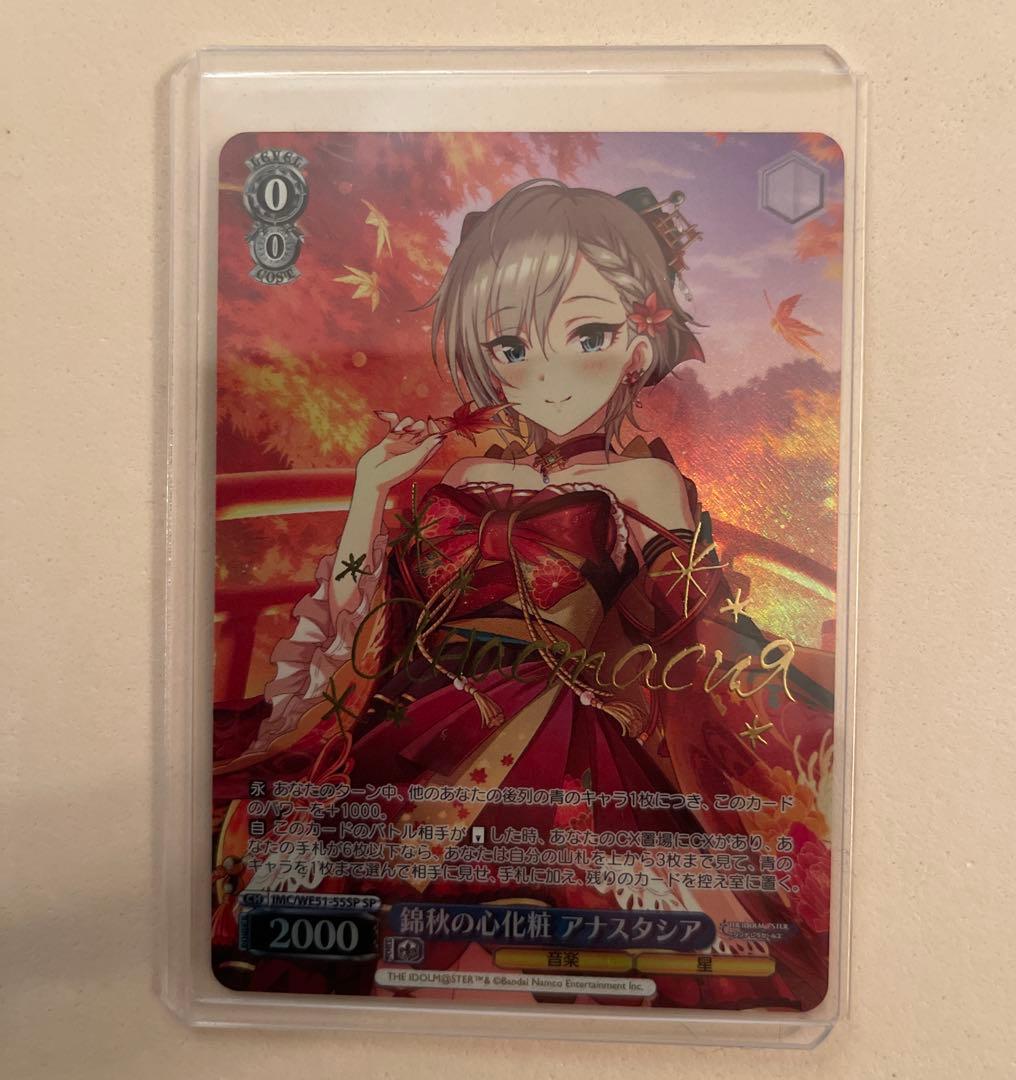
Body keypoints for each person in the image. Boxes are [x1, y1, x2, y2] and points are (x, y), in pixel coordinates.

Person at [214, 178, 834, 1009]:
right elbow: (375, 621)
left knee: (530, 916)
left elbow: (691, 633)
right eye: (510, 346)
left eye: (587, 334)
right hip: (417, 712)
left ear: (640, 344)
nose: (545, 372)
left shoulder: (645, 480)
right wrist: (370, 493)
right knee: (337, 909)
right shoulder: (466, 472)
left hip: (555, 730)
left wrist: (664, 545)